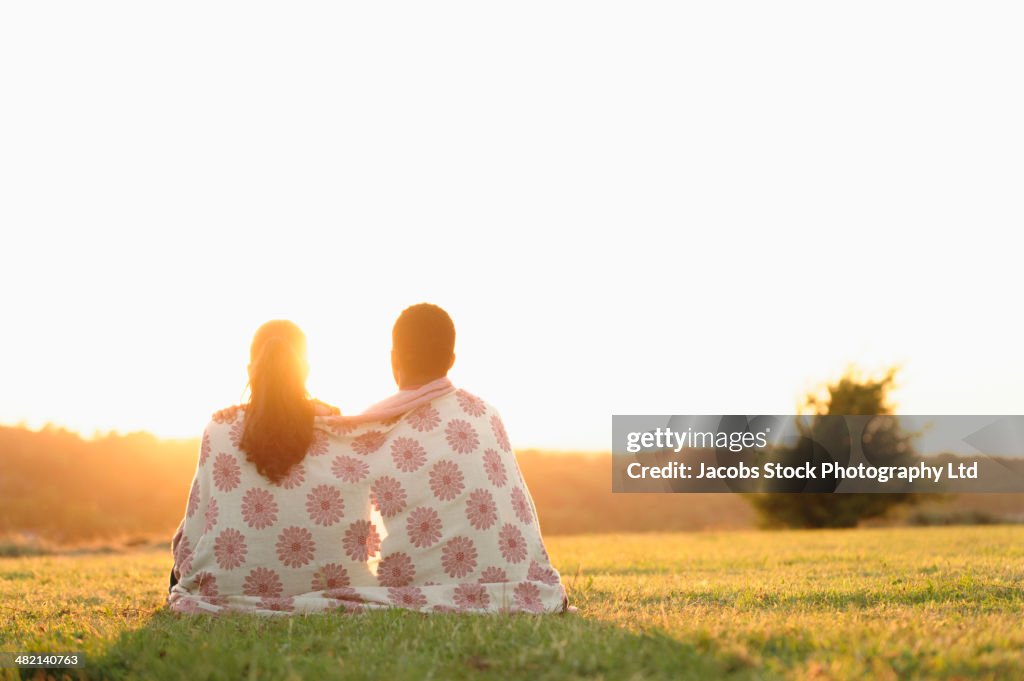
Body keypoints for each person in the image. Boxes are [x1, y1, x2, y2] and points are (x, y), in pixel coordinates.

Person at [168, 305, 566, 614]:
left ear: (250, 369)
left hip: (228, 585)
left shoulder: (219, 428)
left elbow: (195, 533)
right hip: (468, 580)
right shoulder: (483, 415)